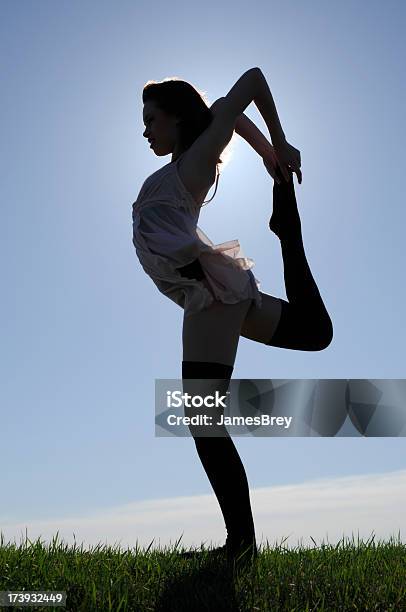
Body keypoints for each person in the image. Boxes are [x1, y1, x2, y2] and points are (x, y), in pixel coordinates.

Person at [131, 69, 333, 569]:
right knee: (315, 333)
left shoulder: (193, 165)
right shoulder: (184, 163)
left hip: (209, 294)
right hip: (209, 294)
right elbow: (228, 106)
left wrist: (280, 145)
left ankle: (240, 546)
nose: (145, 130)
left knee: (203, 421)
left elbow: (252, 81)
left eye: (151, 119)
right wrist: (267, 156)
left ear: (177, 118)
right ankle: (287, 226)